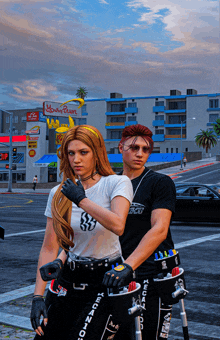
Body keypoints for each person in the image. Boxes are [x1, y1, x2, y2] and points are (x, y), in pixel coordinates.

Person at [30, 125, 133, 340]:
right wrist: (38, 296)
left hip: (105, 279)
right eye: (71, 153)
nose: (76, 159)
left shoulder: (116, 183)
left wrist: (81, 200)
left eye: (83, 152)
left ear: (97, 153)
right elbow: (49, 247)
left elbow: (118, 224)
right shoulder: (58, 193)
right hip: (69, 276)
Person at [102, 124, 176, 340]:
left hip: (151, 275)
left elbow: (160, 229)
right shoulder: (110, 184)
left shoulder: (159, 183)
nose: (140, 153)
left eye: (145, 149)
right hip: (117, 274)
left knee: (146, 335)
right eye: (134, 147)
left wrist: (128, 265)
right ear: (120, 147)